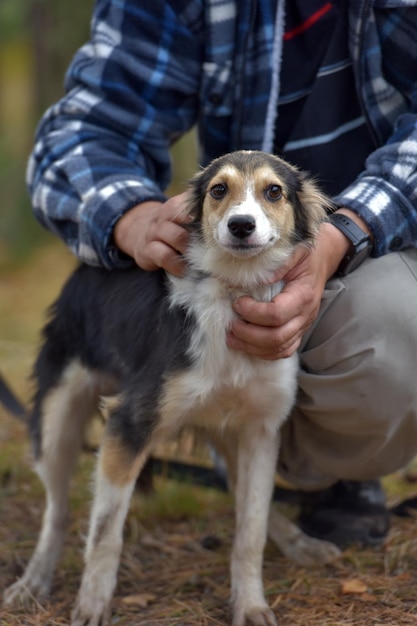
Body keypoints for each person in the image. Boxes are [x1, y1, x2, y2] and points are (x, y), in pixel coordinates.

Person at [26, 0, 417, 547]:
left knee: (394, 323)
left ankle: (334, 471)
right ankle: (233, 430)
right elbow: (82, 129)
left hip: (394, 241)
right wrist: (130, 217)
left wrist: (346, 232)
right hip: (242, 276)